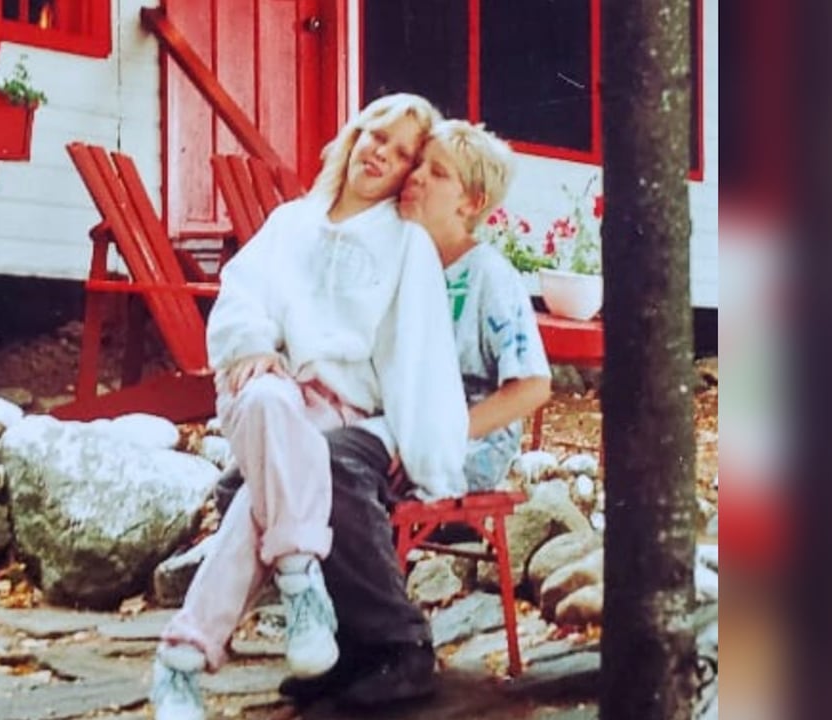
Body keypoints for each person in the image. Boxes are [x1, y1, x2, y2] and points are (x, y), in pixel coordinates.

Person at [150, 95, 471, 720]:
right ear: (355, 135)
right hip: (263, 395)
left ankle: (181, 663)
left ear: (410, 173)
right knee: (272, 402)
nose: (384, 152)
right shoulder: (289, 224)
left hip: (341, 414)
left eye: (404, 152)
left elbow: (418, 349)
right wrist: (251, 347)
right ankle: (301, 586)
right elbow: (241, 298)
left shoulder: (405, 246)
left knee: (261, 500)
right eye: (378, 134)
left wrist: (427, 452)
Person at [270, 119, 554, 709]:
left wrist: (437, 432)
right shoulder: (397, 256)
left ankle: (402, 646)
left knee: (333, 466)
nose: (415, 178)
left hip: (464, 435)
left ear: (471, 203)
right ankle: (345, 646)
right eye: (416, 165)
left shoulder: (485, 276)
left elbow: (532, 387)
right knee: (258, 471)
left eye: (437, 173)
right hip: (386, 421)